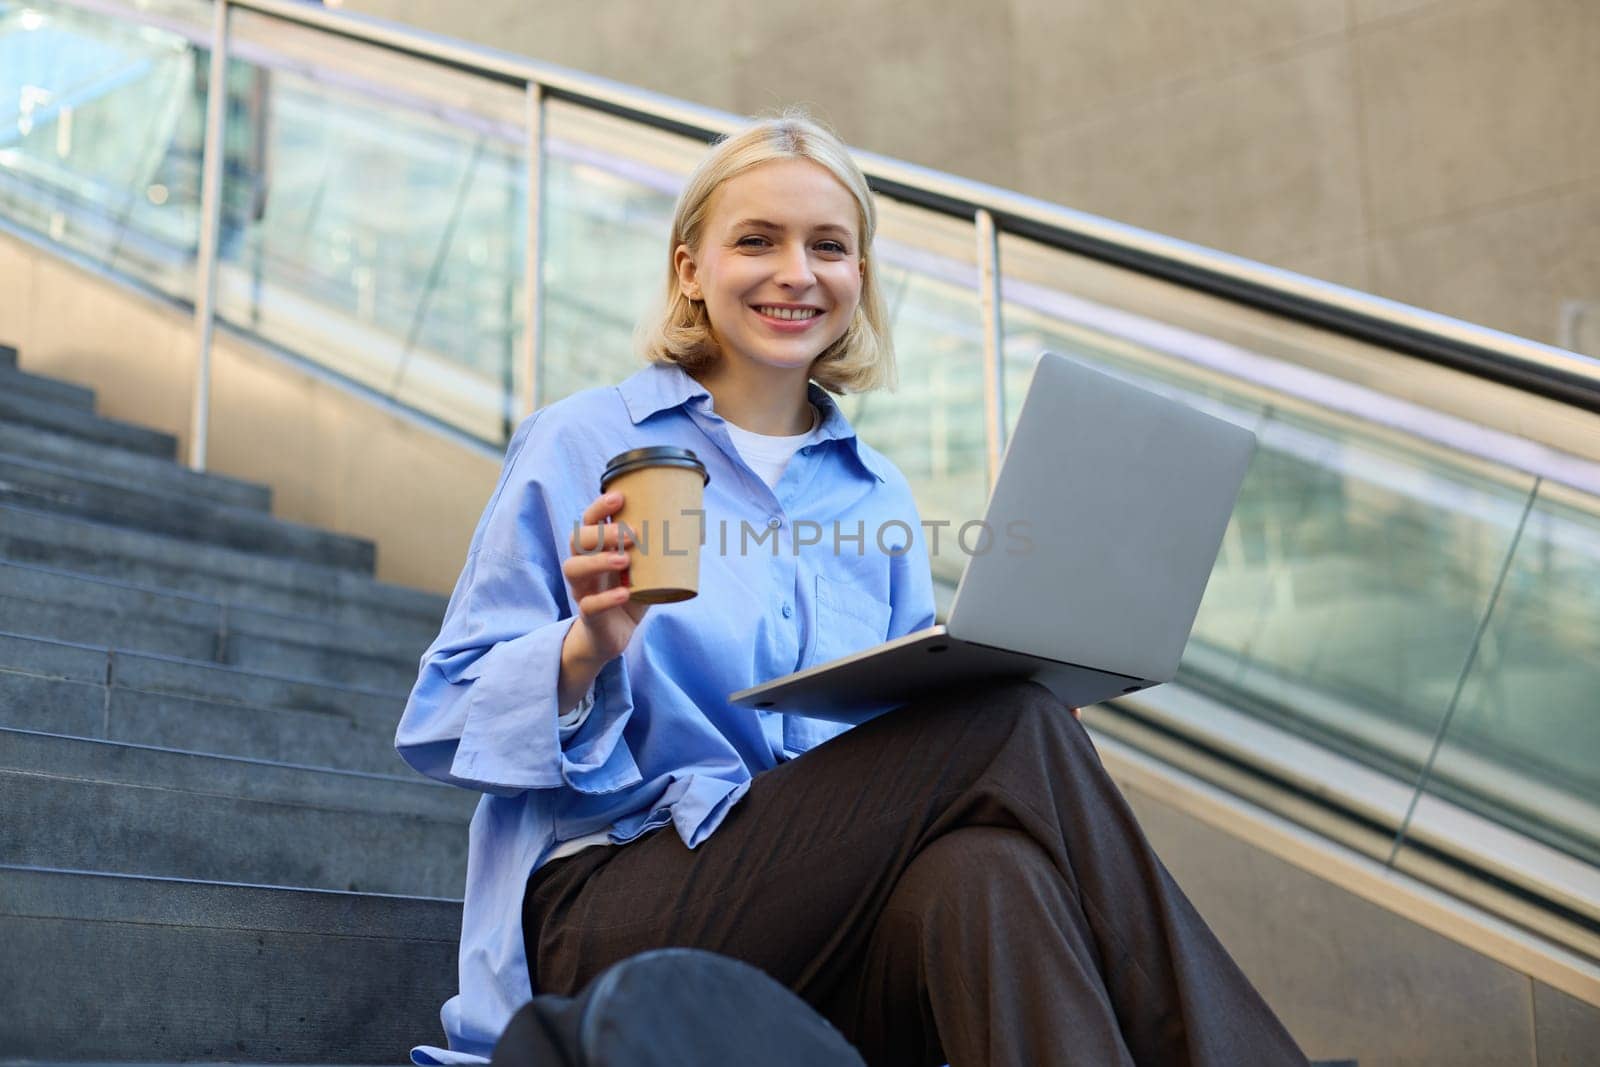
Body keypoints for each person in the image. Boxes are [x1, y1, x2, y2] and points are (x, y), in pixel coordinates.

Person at [396, 108, 1308, 1067]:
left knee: (986, 872)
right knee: (1007, 730)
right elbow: (440, 718)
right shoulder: (583, 442)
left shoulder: (875, 492)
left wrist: (1010, 709)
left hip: (826, 930)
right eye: (757, 240)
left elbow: (902, 744)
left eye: (828, 246)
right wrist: (585, 649)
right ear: (688, 270)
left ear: (858, 279)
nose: (798, 272)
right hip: (613, 918)